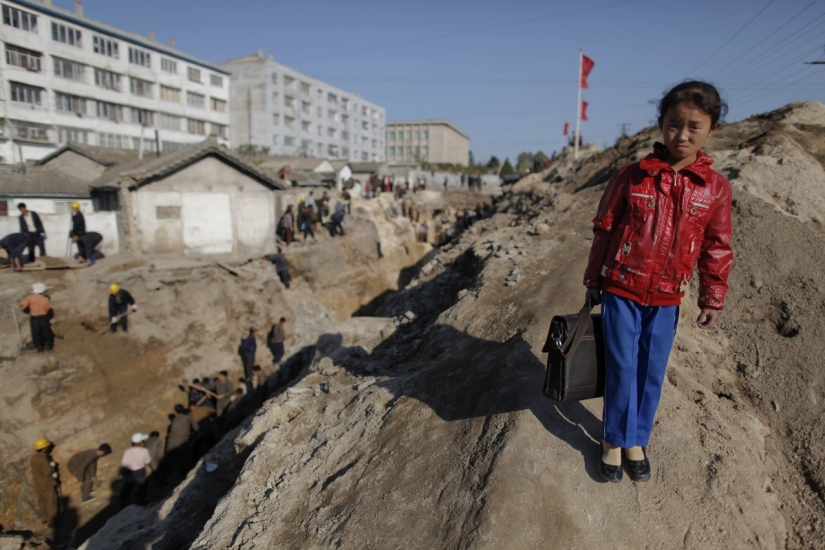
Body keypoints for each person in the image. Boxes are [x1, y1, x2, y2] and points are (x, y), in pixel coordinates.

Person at [583, 80, 733, 483]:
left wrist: (712, 297)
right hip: (622, 288)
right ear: (661, 124)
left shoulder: (716, 189)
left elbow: (718, 245)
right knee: (621, 365)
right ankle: (613, 440)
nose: (681, 136)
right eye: (672, 125)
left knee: (651, 370)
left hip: (668, 296)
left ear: (712, 129)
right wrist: (593, 278)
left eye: (693, 127)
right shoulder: (631, 176)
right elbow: (605, 228)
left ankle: (637, 438)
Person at [30, 438, 60, 526]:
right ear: (43, 448)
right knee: (51, 502)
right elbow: (47, 471)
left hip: (38, 483)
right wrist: (52, 466)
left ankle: (44, 518)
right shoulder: (43, 459)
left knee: (42, 501)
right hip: (47, 483)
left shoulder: (33, 458)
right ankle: (52, 521)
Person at [19, 283, 55, 354]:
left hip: (34, 318)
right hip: (44, 318)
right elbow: (48, 309)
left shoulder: (29, 298)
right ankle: (49, 348)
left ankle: (39, 349)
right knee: (47, 333)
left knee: (36, 333)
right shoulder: (45, 299)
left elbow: (21, 304)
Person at [119, 433, 151, 507]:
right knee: (142, 487)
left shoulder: (127, 451)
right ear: (140, 442)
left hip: (130, 471)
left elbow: (124, 463)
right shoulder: (144, 450)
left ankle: (122, 502)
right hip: (140, 471)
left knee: (127, 486)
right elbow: (147, 461)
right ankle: (141, 501)